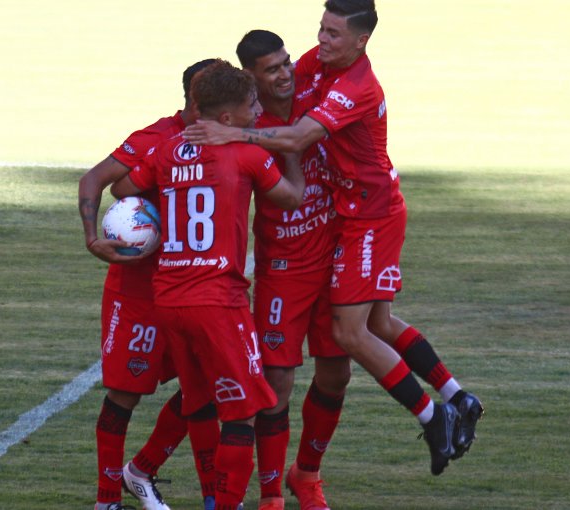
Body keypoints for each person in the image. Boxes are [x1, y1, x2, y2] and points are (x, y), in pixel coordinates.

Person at [183, 0, 483, 477]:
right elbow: (264, 85)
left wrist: (234, 138)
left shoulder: (355, 86)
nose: (320, 43)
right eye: (321, 30)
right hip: (340, 226)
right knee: (379, 323)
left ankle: (432, 418)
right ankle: (457, 397)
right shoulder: (311, 67)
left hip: (370, 215)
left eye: (333, 34)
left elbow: (299, 138)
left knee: (348, 334)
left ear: (361, 41)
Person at [110, 60, 306, 510]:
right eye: (251, 102)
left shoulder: (166, 151)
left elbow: (124, 189)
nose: (259, 108)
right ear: (227, 118)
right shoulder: (249, 154)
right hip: (217, 301)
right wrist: (292, 152)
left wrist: (161, 207)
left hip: (169, 297)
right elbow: (291, 198)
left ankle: (147, 471)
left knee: (199, 399)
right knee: (245, 412)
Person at [78, 58, 222, 510]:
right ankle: (107, 501)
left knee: (211, 384)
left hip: (192, 288)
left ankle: (140, 470)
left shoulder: (227, 136)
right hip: (138, 291)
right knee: (124, 393)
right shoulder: (154, 138)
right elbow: (96, 179)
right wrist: (92, 239)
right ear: (196, 99)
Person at [236, 30, 350, 510]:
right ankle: (269, 497)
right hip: (283, 268)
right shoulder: (244, 121)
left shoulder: (313, 94)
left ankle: (306, 474)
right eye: (271, 69)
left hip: (332, 258)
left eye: (286, 64)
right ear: (251, 77)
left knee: (336, 375)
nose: (285, 74)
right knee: (278, 382)